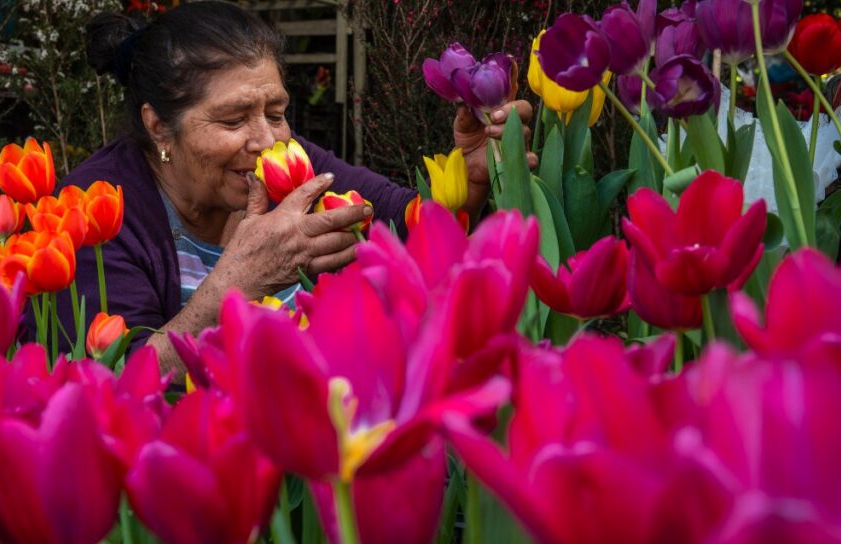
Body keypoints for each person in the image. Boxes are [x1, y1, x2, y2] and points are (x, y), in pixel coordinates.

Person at [63, 1, 535, 375]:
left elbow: (403, 220)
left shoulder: (289, 163)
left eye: (276, 113)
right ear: (159, 126)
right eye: (233, 120)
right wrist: (238, 283)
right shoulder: (91, 210)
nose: (266, 140)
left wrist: (471, 180)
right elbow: (117, 378)